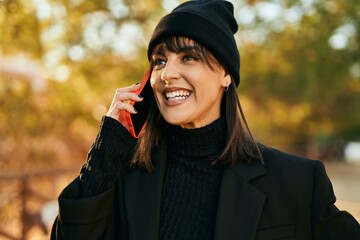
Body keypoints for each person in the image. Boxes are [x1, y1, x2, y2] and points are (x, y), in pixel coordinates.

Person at [50, 0, 360, 239]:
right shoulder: (120, 176)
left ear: (226, 74)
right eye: (160, 61)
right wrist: (109, 145)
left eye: (188, 57)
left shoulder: (297, 182)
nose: (167, 74)